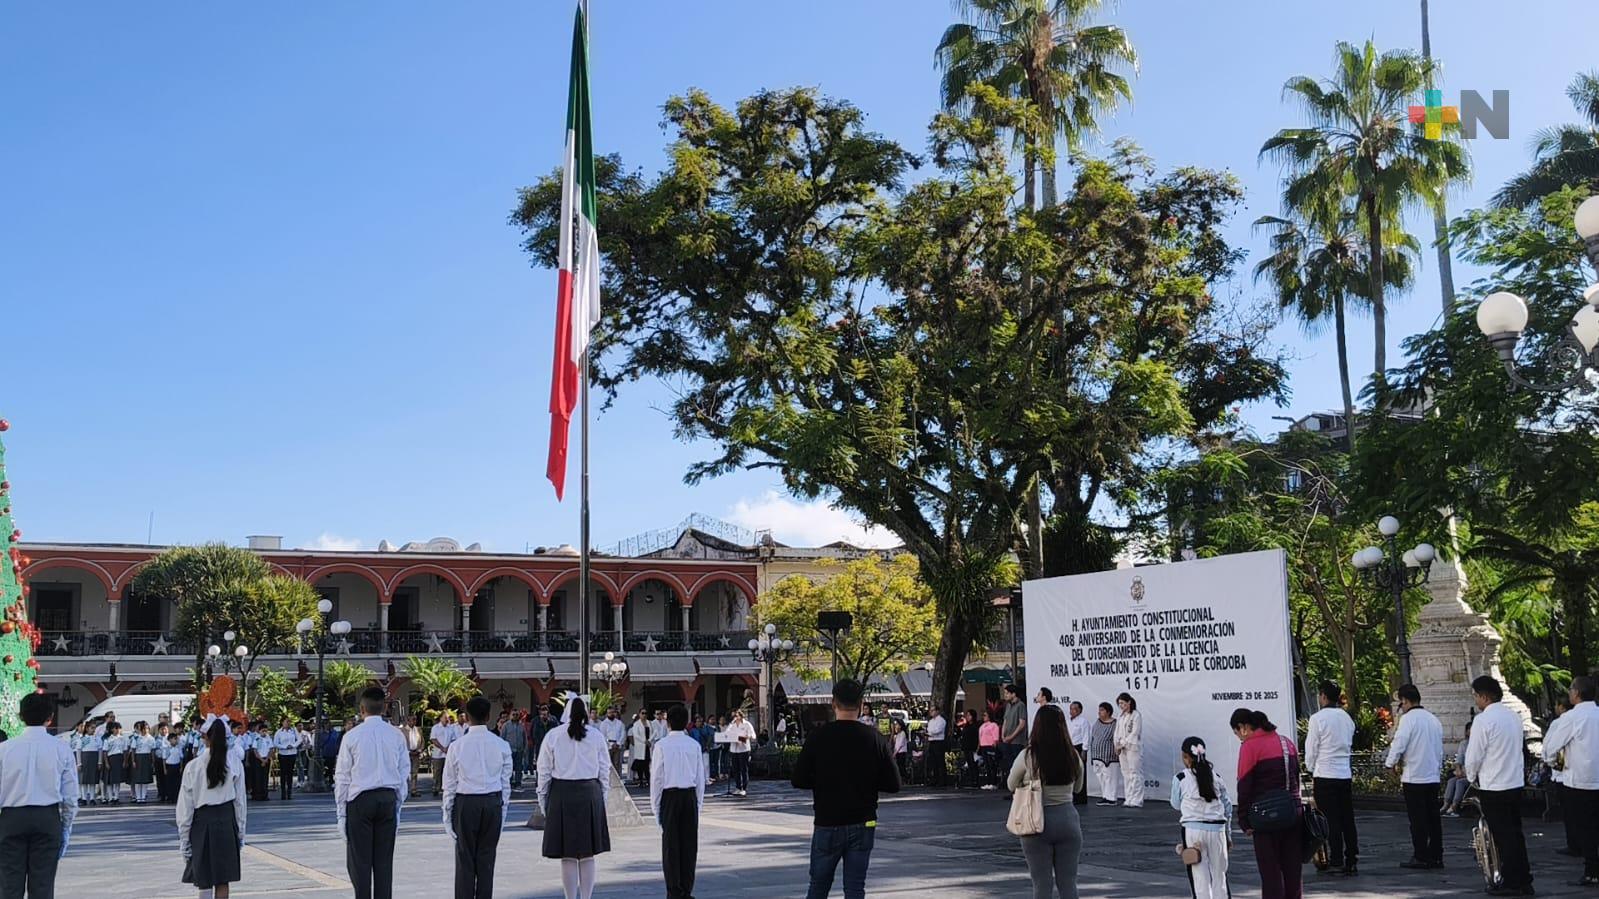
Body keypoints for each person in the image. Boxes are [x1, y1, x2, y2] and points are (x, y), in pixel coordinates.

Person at [792, 678, 901, 899]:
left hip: (827, 821)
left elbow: (798, 779)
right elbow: (894, 784)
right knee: (855, 888)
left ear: (833, 703)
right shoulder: (874, 738)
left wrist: (823, 780)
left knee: (818, 886)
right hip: (863, 821)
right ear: (861, 704)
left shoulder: (818, 737)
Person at [0, 693, 78, 899]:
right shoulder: (62, 749)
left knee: (8, 885)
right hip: (47, 818)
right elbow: (70, 797)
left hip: (11, 818)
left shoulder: (4, 750)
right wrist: (66, 828)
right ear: (50, 717)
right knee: (43, 887)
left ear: (21, 716)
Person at [336, 687, 410, 899]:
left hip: (361, 799)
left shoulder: (352, 736)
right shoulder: (396, 735)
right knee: (384, 861)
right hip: (387, 797)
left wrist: (341, 811)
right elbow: (403, 770)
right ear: (384, 707)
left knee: (360, 861)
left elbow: (342, 776)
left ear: (362, 709)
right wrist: (398, 801)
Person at [537, 697, 612, 899]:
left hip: (562, 793)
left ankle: (570, 898)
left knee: (568, 854)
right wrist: (602, 796)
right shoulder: (596, 736)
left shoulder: (554, 735)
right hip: (590, 792)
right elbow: (605, 769)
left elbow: (543, 770)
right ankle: (586, 897)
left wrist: (543, 799)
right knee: (587, 854)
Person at [1466, 676, 1532, 896]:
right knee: (1515, 833)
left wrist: (1470, 775)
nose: (1476, 700)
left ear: (1484, 696)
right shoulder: (1513, 716)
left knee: (1503, 837)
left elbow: (1474, 754)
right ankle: (1523, 878)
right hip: (1513, 782)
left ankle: (1512, 881)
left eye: (1476, 695)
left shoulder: (1483, 720)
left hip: (1494, 785)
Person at [1008, 704, 1083, 899]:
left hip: (1036, 821)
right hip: (1068, 820)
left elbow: (1010, 784)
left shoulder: (1028, 755)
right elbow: (1078, 788)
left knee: (1041, 884)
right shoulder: (1073, 755)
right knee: (1068, 883)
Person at [443, 695, 512, 899]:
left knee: (464, 858)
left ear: (467, 716)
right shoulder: (501, 745)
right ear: (489, 716)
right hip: (492, 801)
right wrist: (503, 810)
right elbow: (505, 783)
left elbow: (450, 784)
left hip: (466, 802)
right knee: (487, 858)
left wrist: (447, 815)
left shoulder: (457, 746)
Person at [1231, 708, 1301, 899]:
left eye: (1237, 733)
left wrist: (1244, 821)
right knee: (1292, 873)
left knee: (1271, 875)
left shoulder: (1250, 747)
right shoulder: (1287, 743)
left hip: (1265, 819)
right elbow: (1296, 778)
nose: (1239, 738)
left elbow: (1244, 787)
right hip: (1293, 816)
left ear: (1244, 728)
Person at [177, 718, 247, 899]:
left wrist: (184, 838)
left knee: (204, 878)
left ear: (204, 738)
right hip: (226, 820)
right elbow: (240, 802)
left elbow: (185, 808)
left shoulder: (193, 767)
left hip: (202, 822)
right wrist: (240, 832)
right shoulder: (235, 764)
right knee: (223, 879)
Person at [1545, 675, 1599, 887]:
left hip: (1579, 780)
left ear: (1576, 694)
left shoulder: (1571, 718)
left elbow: (1551, 747)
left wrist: (1553, 762)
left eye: (1570, 689)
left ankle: (1592, 869)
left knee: (1584, 826)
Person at [1385, 683, 1444, 870]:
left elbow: (1399, 743)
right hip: (1432, 775)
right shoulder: (1433, 719)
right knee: (1434, 818)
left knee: (1418, 820)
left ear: (1405, 701)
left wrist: (1390, 763)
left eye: (1400, 704)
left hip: (1415, 777)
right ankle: (1436, 854)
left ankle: (1421, 855)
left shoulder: (1408, 720)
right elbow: (1439, 749)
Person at [650, 705, 704, 899]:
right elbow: (700, 778)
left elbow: (657, 778)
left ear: (668, 722)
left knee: (671, 846)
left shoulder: (662, 746)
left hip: (670, 796)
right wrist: (698, 804)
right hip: (689, 795)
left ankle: (674, 890)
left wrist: (656, 808)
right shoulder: (694, 745)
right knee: (689, 846)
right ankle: (687, 889)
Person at [1305, 681, 1358, 876]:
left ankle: (1336, 859)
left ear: (1323, 696)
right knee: (1347, 818)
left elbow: (1311, 748)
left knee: (1330, 819)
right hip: (1344, 773)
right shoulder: (1346, 718)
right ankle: (1351, 857)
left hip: (1325, 773)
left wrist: (1310, 767)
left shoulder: (1318, 719)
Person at [1171, 736, 1232, 899]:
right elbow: (1227, 806)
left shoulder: (1180, 778)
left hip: (1192, 831)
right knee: (1220, 876)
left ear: (1185, 757)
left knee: (1200, 878)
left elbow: (1176, 804)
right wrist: (1229, 834)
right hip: (1218, 830)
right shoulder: (1216, 777)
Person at [1112, 693, 1143, 808]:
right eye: (1119, 703)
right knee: (1126, 773)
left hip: (1133, 747)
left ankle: (1137, 800)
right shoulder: (1121, 716)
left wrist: (1123, 744)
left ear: (1129, 702)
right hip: (1122, 748)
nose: (1121, 705)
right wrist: (1116, 745)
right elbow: (1117, 732)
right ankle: (1129, 798)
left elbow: (1134, 732)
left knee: (1135, 773)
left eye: (1123, 703)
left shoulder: (1136, 715)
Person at [1442, 722, 1472, 816]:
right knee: (1452, 781)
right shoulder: (1464, 744)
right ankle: (1446, 805)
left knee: (1460, 782)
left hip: (1473, 774)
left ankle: (1455, 806)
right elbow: (1459, 760)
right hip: (1463, 771)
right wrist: (1458, 769)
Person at [725, 710, 757, 796]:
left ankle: (744, 788)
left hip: (744, 749)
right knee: (736, 769)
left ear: (741, 716)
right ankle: (738, 787)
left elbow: (753, 735)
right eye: (734, 716)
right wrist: (731, 724)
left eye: (737, 715)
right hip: (734, 749)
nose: (735, 717)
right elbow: (727, 733)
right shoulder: (732, 725)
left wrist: (746, 737)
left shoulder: (747, 724)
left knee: (743, 769)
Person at [1001, 685, 1028, 780]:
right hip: (1007, 740)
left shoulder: (1021, 705)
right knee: (1009, 765)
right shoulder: (1008, 706)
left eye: (1007, 693)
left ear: (1013, 694)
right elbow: (1005, 721)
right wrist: (1003, 735)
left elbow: (1022, 724)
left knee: (1017, 766)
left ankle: (1019, 788)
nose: (1005, 695)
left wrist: (1011, 736)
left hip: (1017, 741)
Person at [1066, 702, 1090, 806]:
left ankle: (1081, 798)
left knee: (1080, 773)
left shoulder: (1083, 722)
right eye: (1071, 709)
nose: (1072, 711)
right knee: (1070, 773)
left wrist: (1084, 751)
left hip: (1079, 748)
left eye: (1075, 709)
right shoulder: (1067, 721)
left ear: (1080, 710)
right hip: (1069, 747)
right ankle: (1071, 796)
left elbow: (1086, 737)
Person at [430, 712, 459, 798]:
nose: (447, 719)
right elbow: (433, 739)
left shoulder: (451, 728)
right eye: (445, 718)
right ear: (441, 718)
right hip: (438, 754)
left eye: (448, 718)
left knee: (447, 772)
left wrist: (448, 747)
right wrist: (443, 748)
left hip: (448, 754)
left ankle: (444, 788)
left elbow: (453, 739)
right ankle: (435, 788)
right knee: (437, 772)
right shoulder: (435, 728)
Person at [130, 720, 157, 804]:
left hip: (147, 758)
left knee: (145, 779)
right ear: (140, 729)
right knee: (138, 779)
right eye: (144, 729)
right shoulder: (136, 738)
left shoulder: (151, 738)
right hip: (138, 757)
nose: (146, 730)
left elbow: (152, 750)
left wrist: (152, 761)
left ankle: (143, 797)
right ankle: (138, 797)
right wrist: (133, 761)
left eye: (147, 728)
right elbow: (133, 750)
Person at [273, 717, 300, 802]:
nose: (288, 723)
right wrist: (284, 747)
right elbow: (276, 743)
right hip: (283, 754)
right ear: (282, 722)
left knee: (290, 773)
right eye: (286, 721)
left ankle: (289, 792)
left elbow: (299, 739)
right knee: (283, 773)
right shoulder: (279, 732)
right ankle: (283, 792)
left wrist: (293, 745)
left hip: (292, 753)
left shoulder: (293, 730)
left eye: (289, 721)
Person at [102, 721, 127, 804]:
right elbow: (105, 752)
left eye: (119, 728)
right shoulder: (108, 739)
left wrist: (124, 761)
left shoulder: (122, 738)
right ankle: (110, 797)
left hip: (119, 758)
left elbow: (124, 750)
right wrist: (106, 763)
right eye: (115, 728)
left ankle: (116, 797)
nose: (117, 730)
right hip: (111, 758)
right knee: (110, 780)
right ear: (112, 729)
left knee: (117, 780)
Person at [596, 708, 626, 777]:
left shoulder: (619, 723)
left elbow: (623, 734)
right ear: (607, 714)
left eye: (612, 712)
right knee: (608, 764)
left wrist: (618, 743)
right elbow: (602, 735)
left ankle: (618, 780)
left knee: (617, 764)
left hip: (617, 746)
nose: (611, 714)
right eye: (609, 712)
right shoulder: (604, 724)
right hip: (608, 746)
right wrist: (610, 744)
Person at [499, 713, 526, 790]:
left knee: (519, 768)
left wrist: (525, 749)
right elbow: (502, 738)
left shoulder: (521, 726)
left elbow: (524, 738)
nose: (515, 716)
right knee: (509, 767)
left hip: (519, 750)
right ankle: (509, 782)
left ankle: (518, 783)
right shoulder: (506, 726)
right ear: (510, 715)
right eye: (513, 714)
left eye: (516, 714)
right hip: (509, 751)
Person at [399, 716, 424, 797]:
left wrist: (419, 750)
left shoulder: (418, 730)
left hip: (416, 754)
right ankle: (404, 790)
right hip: (406, 754)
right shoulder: (402, 731)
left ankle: (414, 790)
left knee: (415, 773)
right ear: (407, 721)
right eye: (412, 720)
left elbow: (422, 741)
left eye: (415, 720)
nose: (413, 722)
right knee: (405, 773)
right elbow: (400, 743)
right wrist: (408, 752)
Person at [978, 710, 1002, 789]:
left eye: (985, 715)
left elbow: (995, 736)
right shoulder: (982, 725)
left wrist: (995, 743)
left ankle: (993, 782)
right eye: (983, 715)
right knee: (987, 765)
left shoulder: (993, 725)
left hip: (990, 745)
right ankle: (988, 782)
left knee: (992, 764)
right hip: (983, 745)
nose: (983, 717)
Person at [251, 722, 274, 801]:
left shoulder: (269, 738)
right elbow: (255, 751)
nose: (264, 732)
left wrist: (266, 759)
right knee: (258, 778)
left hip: (266, 759)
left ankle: (265, 795)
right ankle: (258, 795)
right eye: (263, 731)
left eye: (265, 731)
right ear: (259, 731)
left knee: (265, 777)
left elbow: (271, 749)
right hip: (259, 760)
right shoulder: (257, 739)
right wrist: (262, 760)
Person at [925, 707, 947, 788]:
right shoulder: (930, 721)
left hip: (939, 742)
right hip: (932, 741)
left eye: (932, 710)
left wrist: (929, 733)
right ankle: (935, 779)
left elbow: (937, 730)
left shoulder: (941, 720)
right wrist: (928, 733)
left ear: (937, 711)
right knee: (933, 761)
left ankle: (942, 780)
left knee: (940, 761)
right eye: (930, 711)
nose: (931, 712)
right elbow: (929, 729)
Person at [958, 710, 981, 788]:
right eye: (967, 715)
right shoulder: (966, 726)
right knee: (969, 764)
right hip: (966, 747)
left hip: (973, 747)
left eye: (969, 715)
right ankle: (971, 780)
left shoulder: (976, 726)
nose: (968, 717)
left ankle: (975, 780)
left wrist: (977, 748)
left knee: (973, 764)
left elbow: (977, 737)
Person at [628, 711, 651, 787]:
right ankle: (640, 781)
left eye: (645, 713)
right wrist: (644, 741)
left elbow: (654, 732)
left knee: (646, 765)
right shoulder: (636, 724)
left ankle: (648, 781)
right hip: (640, 746)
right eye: (642, 713)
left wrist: (649, 741)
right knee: (640, 765)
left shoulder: (649, 723)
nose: (644, 715)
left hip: (647, 747)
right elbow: (636, 735)